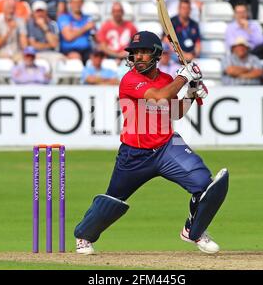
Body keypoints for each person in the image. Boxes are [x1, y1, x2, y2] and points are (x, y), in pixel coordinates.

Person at [74, 30, 228, 255]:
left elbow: (175, 113)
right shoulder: (130, 80)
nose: (139, 57)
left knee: (204, 184)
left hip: (167, 146)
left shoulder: (166, 79)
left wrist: (191, 94)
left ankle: (193, 230)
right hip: (134, 153)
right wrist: (184, 77)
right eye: (135, 53)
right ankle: (84, 235)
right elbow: (158, 96)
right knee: (113, 201)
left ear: (156, 55)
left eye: (144, 52)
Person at [57, 0, 94, 64]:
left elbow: (95, 36)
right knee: (76, 58)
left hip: (87, 50)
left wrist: (74, 31)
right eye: (74, 2)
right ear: (70, 3)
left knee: (98, 57)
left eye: (79, 2)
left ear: (82, 3)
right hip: (70, 50)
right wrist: (85, 28)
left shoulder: (87, 18)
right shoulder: (64, 18)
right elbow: (69, 37)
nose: (77, 4)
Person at [27, 0, 64, 72]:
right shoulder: (30, 24)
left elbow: (55, 44)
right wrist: (49, 45)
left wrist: (44, 27)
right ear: (33, 13)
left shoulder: (53, 24)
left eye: (41, 11)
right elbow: (33, 45)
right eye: (37, 11)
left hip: (51, 53)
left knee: (60, 61)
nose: (39, 14)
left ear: (46, 12)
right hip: (36, 54)